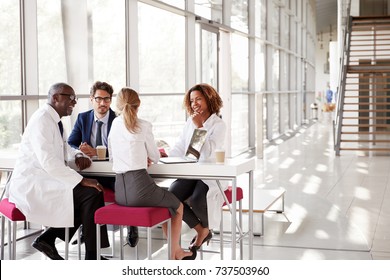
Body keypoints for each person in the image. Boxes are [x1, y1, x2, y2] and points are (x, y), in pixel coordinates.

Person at [7, 82, 109, 260]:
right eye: (70, 98)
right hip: (33, 184)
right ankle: (90, 255)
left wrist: (77, 154)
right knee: (91, 193)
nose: (74, 102)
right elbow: (49, 162)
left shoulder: (54, 120)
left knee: (93, 193)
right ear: (55, 98)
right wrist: (81, 180)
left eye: (75, 99)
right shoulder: (42, 120)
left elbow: (65, 146)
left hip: (47, 180)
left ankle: (52, 239)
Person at [108, 87, 196, 260]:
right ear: (138, 105)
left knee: (165, 204)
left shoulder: (114, 124)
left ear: (117, 105)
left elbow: (113, 157)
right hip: (140, 188)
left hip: (121, 192)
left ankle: (174, 250)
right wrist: (147, 156)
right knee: (177, 206)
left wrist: (139, 157)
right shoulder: (144, 125)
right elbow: (155, 157)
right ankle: (175, 252)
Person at [68, 81, 139, 247]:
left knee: (125, 190)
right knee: (79, 189)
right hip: (90, 172)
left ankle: (132, 225)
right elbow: (70, 142)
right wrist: (80, 151)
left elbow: (127, 147)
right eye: (99, 99)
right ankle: (87, 229)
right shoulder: (83, 118)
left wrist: (100, 151)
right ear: (91, 99)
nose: (103, 103)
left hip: (114, 173)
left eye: (106, 99)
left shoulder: (120, 119)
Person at [168, 83, 227, 252]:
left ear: (209, 99)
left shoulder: (218, 125)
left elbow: (207, 154)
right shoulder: (190, 122)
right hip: (190, 171)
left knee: (197, 199)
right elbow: (181, 146)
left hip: (208, 174)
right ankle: (202, 230)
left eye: (199, 99)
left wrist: (199, 127)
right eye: (192, 100)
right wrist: (167, 156)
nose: (195, 103)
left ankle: (206, 228)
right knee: (172, 196)